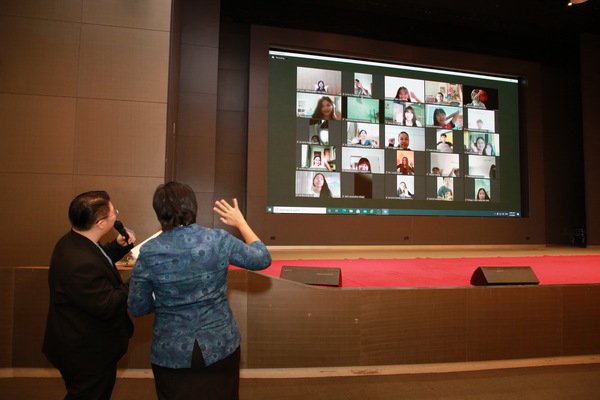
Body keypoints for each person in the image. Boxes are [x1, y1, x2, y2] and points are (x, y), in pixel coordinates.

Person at [128, 182, 272, 400]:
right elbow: (262, 258)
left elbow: (138, 307)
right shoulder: (218, 239)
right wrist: (241, 223)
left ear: (159, 212)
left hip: (171, 349)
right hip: (220, 344)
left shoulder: (149, 251)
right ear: (192, 206)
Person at [42, 191, 136, 400]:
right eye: (113, 212)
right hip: (86, 351)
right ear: (101, 223)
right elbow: (109, 303)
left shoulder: (74, 241)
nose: (116, 215)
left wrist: (117, 247)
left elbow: (98, 263)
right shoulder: (79, 261)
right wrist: (140, 277)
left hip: (81, 343)